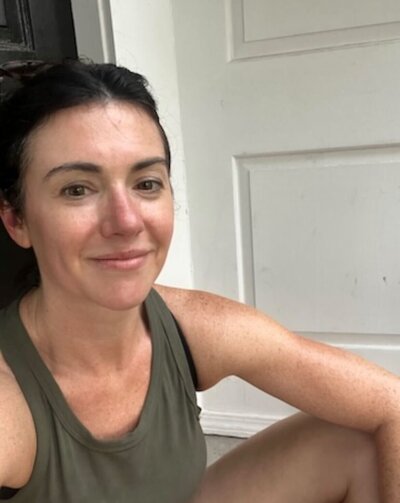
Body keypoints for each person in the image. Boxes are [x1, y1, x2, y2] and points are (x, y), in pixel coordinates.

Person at [0, 59, 398, 503]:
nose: (126, 221)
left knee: (356, 437)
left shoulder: (193, 327)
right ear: (17, 219)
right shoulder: (9, 402)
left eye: (146, 183)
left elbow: (391, 406)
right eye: (78, 189)